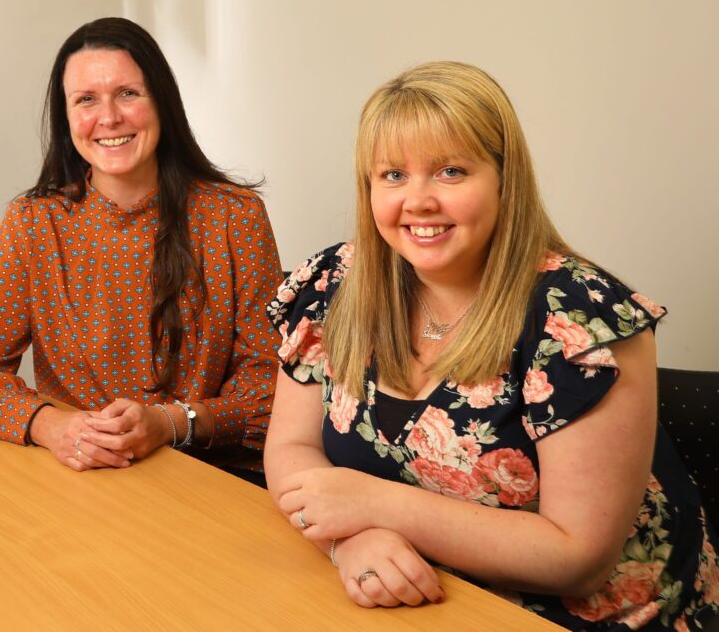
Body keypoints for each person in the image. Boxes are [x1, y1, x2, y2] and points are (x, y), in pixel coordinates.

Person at [264, 62, 718, 630]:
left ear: (505, 180)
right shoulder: (336, 283)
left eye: (451, 172)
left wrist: (376, 507)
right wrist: (350, 542)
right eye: (393, 175)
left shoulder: (580, 316)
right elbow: (289, 450)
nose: (419, 201)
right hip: (410, 595)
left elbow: (577, 557)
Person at [0, 17, 281, 479]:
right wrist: (51, 426)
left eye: (128, 93)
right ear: (67, 116)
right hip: (88, 480)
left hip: (212, 478)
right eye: (86, 100)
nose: (109, 117)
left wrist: (171, 423)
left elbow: (274, 385)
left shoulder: (236, 215)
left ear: (162, 103)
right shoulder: (34, 224)